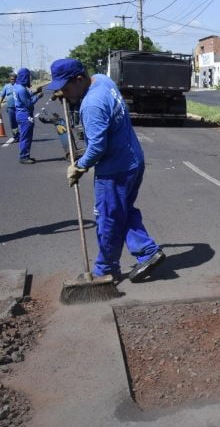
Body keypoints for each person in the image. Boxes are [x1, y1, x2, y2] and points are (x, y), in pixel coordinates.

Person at [47, 58, 165, 282]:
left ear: (79, 79)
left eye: (65, 85)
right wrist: (70, 96)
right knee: (123, 211)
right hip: (133, 161)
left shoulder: (92, 105)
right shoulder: (102, 80)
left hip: (114, 171)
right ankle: (148, 252)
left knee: (108, 218)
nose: (62, 90)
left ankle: (106, 269)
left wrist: (79, 167)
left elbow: (97, 147)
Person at [12, 68, 44, 164]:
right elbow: (29, 103)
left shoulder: (17, 86)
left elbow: (26, 96)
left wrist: (35, 92)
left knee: (25, 136)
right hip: (25, 115)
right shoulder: (21, 89)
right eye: (28, 76)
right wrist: (38, 96)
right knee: (26, 137)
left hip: (20, 113)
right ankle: (24, 157)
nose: (29, 78)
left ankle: (26, 155)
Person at [0, 73, 18, 141]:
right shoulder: (6, 86)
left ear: (16, 79)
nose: (13, 80)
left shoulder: (19, 86)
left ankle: (21, 135)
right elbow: (2, 95)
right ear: (9, 79)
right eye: (11, 79)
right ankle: (16, 136)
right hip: (10, 108)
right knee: (13, 122)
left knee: (20, 122)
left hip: (19, 108)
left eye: (14, 79)